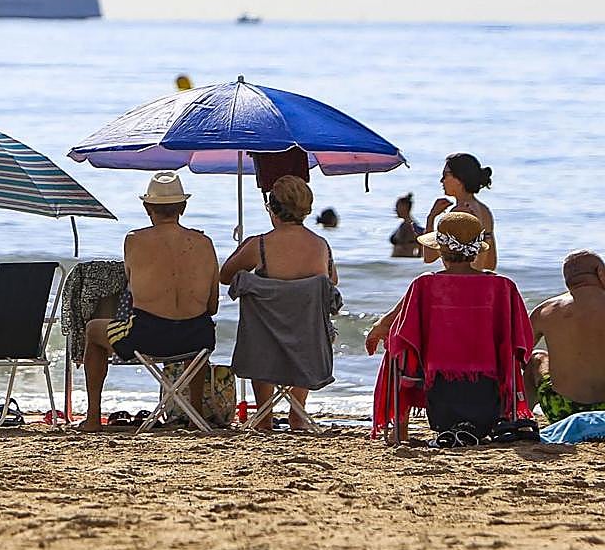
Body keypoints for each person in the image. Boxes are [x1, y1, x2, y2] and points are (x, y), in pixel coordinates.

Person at [365, 213, 529, 443]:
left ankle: (399, 430)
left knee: (397, 342)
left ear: (441, 250)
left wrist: (382, 328)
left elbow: (403, 327)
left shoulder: (425, 283)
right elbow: (519, 337)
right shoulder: (501, 286)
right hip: (490, 382)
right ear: (475, 250)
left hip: (436, 381)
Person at [79, 171, 219, 432]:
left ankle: (93, 418)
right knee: (199, 324)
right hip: (197, 340)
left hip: (147, 338)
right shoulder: (205, 242)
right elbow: (212, 307)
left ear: (147, 208)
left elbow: (133, 290)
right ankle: (195, 414)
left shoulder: (134, 240)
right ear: (183, 207)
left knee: (93, 330)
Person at [220, 175, 337, 430]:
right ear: (306, 210)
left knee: (262, 327)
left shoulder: (258, 244)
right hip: (307, 347)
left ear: (272, 209)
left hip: (264, 346)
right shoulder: (321, 246)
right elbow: (331, 283)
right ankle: (297, 412)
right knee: (306, 326)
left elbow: (225, 276)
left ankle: (264, 414)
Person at [524, 251, 605, 423]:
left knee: (536, 358)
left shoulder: (545, 310)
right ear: (600, 273)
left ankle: (522, 418)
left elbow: (516, 353)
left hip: (562, 409)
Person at [422, 153, 496, 271]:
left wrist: (431, 218)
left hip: (459, 282)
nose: (442, 180)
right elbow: (490, 264)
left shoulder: (459, 213)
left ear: (459, 178)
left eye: (445, 175)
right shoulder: (484, 210)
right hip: (478, 282)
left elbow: (429, 257)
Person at [390, 193, 423, 258]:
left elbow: (420, 243)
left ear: (404, 207)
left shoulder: (410, 226)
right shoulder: (405, 224)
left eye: (397, 207)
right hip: (401, 261)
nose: (395, 210)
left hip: (404, 261)